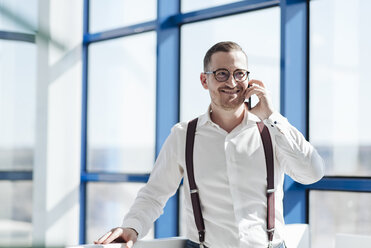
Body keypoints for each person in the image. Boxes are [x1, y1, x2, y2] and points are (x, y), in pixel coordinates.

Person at [94, 41, 324, 248]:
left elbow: (312, 173)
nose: (232, 82)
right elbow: (155, 193)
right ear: (205, 80)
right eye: (222, 74)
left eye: (239, 74)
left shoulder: (272, 131)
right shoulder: (184, 135)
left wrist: (272, 116)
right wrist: (132, 227)